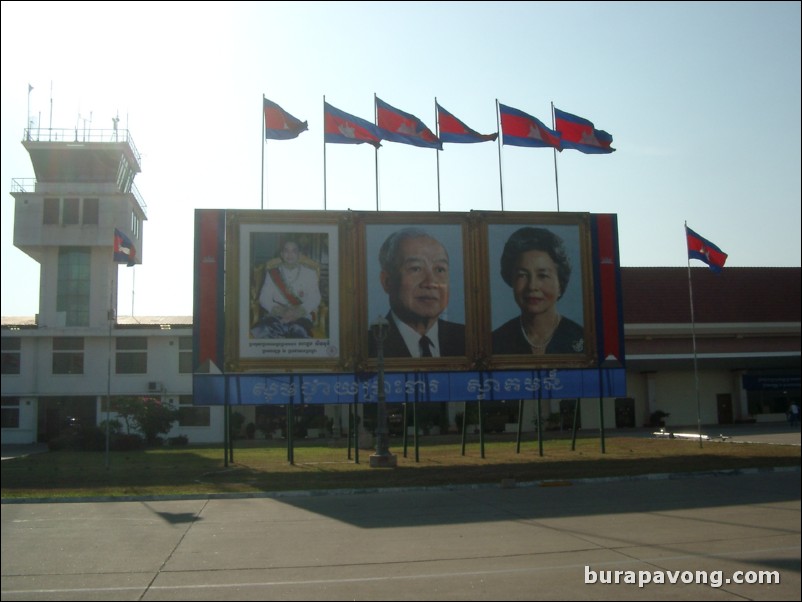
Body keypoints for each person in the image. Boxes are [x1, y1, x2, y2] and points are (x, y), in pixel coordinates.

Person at [368, 227, 465, 358]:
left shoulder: (468, 340)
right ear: (387, 281)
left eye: (440, 270)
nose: (431, 283)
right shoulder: (368, 345)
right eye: (416, 269)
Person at [492, 226, 584, 355]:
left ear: (560, 284)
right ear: (511, 279)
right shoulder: (496, 342)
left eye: (542, 275)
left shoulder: (582, 339)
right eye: (522, 275)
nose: (532, 286)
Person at [251, 239, 322, 339]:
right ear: (281, 254)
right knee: (266, 329)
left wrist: (298, 312)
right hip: (277, 314)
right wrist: (281, 311)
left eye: (294, 251)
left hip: (301, 315)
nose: (290, 254)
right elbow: (264, 297)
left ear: (299, 254)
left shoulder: (310, 273)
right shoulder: (272, 273)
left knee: (297, 329)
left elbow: (315, 298)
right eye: (286, 251)